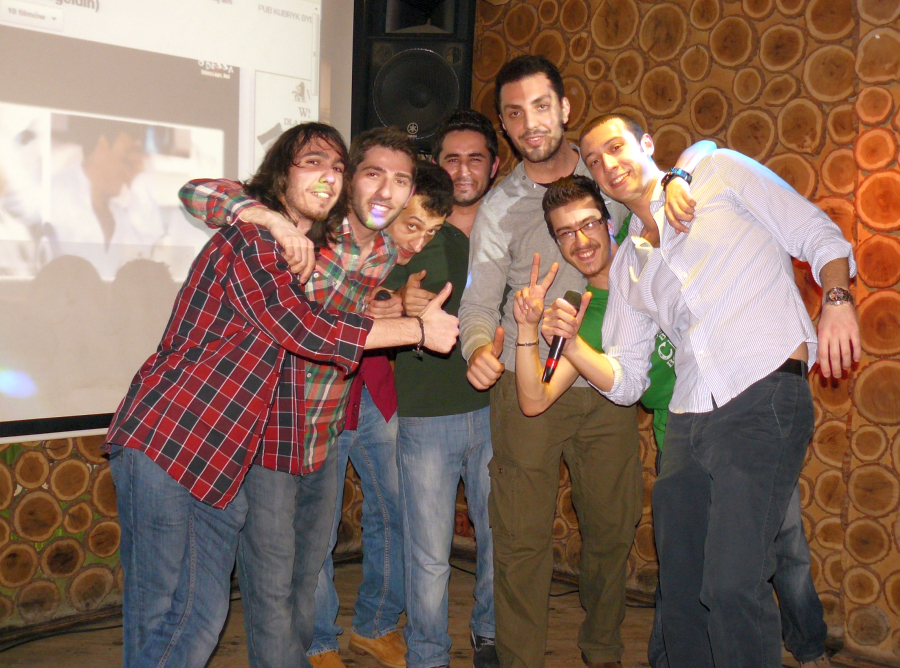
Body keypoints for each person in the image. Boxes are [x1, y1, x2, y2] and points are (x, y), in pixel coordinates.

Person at [107, 122, 459, 668]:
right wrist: (266, 215)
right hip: (210, 436)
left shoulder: (386, 248)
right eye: (368, 173)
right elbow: (302, 325)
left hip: (266, 443)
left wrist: (393, 306)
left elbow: (332, 316)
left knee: (210, 612)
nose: (383, 190)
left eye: (399, 180)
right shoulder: (268, 239)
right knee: (197, 606)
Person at [542, 113, 857, 668]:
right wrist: (569, 345)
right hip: (688, 419)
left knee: (733, 586)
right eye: (593, 160)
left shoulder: (717, 173)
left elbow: (817, 233)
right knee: (682, 596)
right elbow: (628, 379)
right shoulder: (628, 263)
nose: (607, 165)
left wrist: (836, 301)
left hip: (763, 391)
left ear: (646, 144)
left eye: (615, 148)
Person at [457, 55, 713, 668]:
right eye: (514, 114)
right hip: (526, 386)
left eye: (541, 106)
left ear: (564, 108)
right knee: (520, 539)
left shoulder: (611, 179)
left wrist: (678, 175)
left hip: (607, 382)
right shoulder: (498, 207)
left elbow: (669, 183)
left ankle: (602, 651)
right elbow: (478, 303)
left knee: (610, 531)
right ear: (504, 125)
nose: (530, 123)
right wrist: (478, 349)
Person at [307, 161, 455, 668]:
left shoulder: (406, 257)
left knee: (395, 511)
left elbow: (399, 300)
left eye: (430, 231)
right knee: (318, 527)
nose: (418, 240)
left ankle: (375, 625)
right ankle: (317, 640)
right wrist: (382, 306)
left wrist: (402, 304)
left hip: (375, 393)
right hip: (319, 402)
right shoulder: (330, 242)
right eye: (411, 224)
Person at [381, 109, 502, 668]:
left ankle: (489, 635)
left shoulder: (503, 225)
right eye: (451, 158)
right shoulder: (409, 229)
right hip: (427, 416)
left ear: (494, 166)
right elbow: (374, 296)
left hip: (496, 410)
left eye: (475, 157)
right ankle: (427, 655)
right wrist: (399, 303)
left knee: (497, 540)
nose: (463, 169)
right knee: (428, 553)